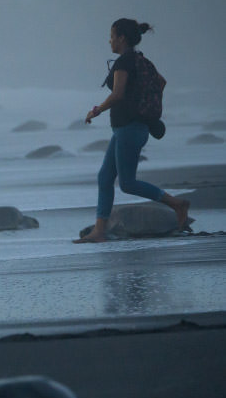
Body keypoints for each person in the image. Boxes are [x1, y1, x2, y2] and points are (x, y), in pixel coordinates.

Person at [74, 18, 190, 243]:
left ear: (121, 38)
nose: (109, 40)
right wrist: (145, 104)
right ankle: (99, 231)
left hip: (130, 128)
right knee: (105, 178)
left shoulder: (125, 62)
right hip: (127, 128)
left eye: (112, 36)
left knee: (127, 183)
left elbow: (117, 94)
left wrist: (96, 111)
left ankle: (177, 204)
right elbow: (161, 83)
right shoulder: (138, 60)